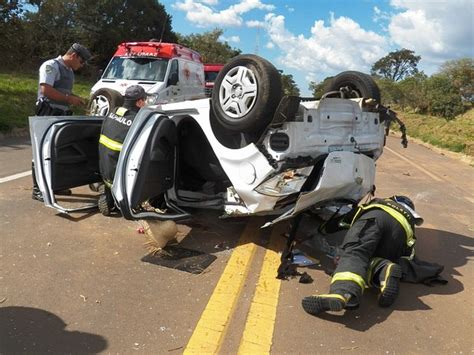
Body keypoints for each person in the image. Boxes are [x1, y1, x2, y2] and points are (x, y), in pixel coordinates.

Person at [302, 195, 424, 315]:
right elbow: (407, 258)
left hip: (376, 219)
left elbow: (344, 221)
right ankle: (383, 269)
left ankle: (343, 292)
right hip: (399, 237)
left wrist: (323, 229)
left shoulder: (380, 204)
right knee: (367, 260)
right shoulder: (410, 225)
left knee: (355, 253)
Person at [32, 43, 92, 202]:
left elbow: (63, 91)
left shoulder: (69, 71)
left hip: (60, 115)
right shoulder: (51, 66)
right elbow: (45, 89)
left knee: (57, 150)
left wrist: (76, 99)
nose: (82, 65)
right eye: (82, 61)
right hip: (48, 112)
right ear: (74, 56)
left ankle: (55, 185)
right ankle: (38, 189)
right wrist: (68, 98)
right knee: (42, 151)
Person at [97, 85, 148, 215]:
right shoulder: (137, 120)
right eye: (145, 100)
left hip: (104, 169)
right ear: (140, 102)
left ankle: (109, 198)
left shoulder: (113, 112)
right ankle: (128, 202)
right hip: (121, 174)